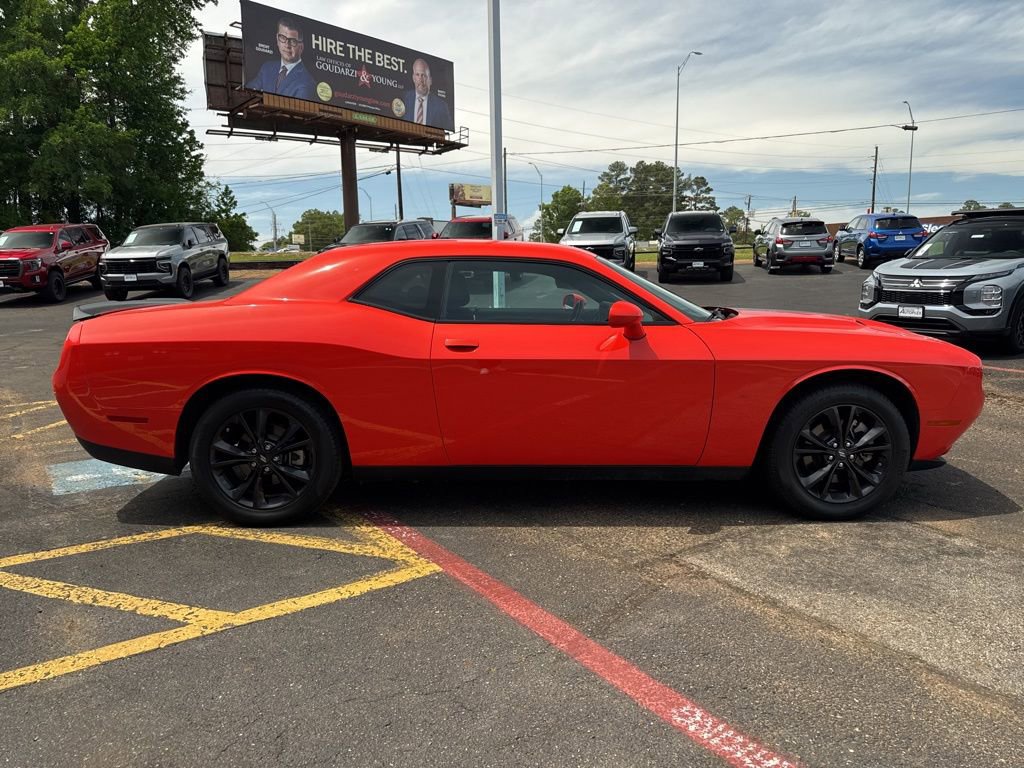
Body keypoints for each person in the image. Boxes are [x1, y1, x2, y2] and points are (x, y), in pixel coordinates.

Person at [246, 17, 316, 100]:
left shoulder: (307, 83)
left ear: (301, 47)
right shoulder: (267, 68)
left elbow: (296, 111)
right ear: (277, 39)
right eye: (282, 37)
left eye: (293, 41)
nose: (287, 45)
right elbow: (248, 91)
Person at [402, 58, 451, 128]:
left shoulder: (441, 106)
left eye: (424, 75)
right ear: (413, 78)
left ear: (430, 80)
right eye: (417, 75)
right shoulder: (403, 98)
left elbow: (447, 128)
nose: (421, 80)